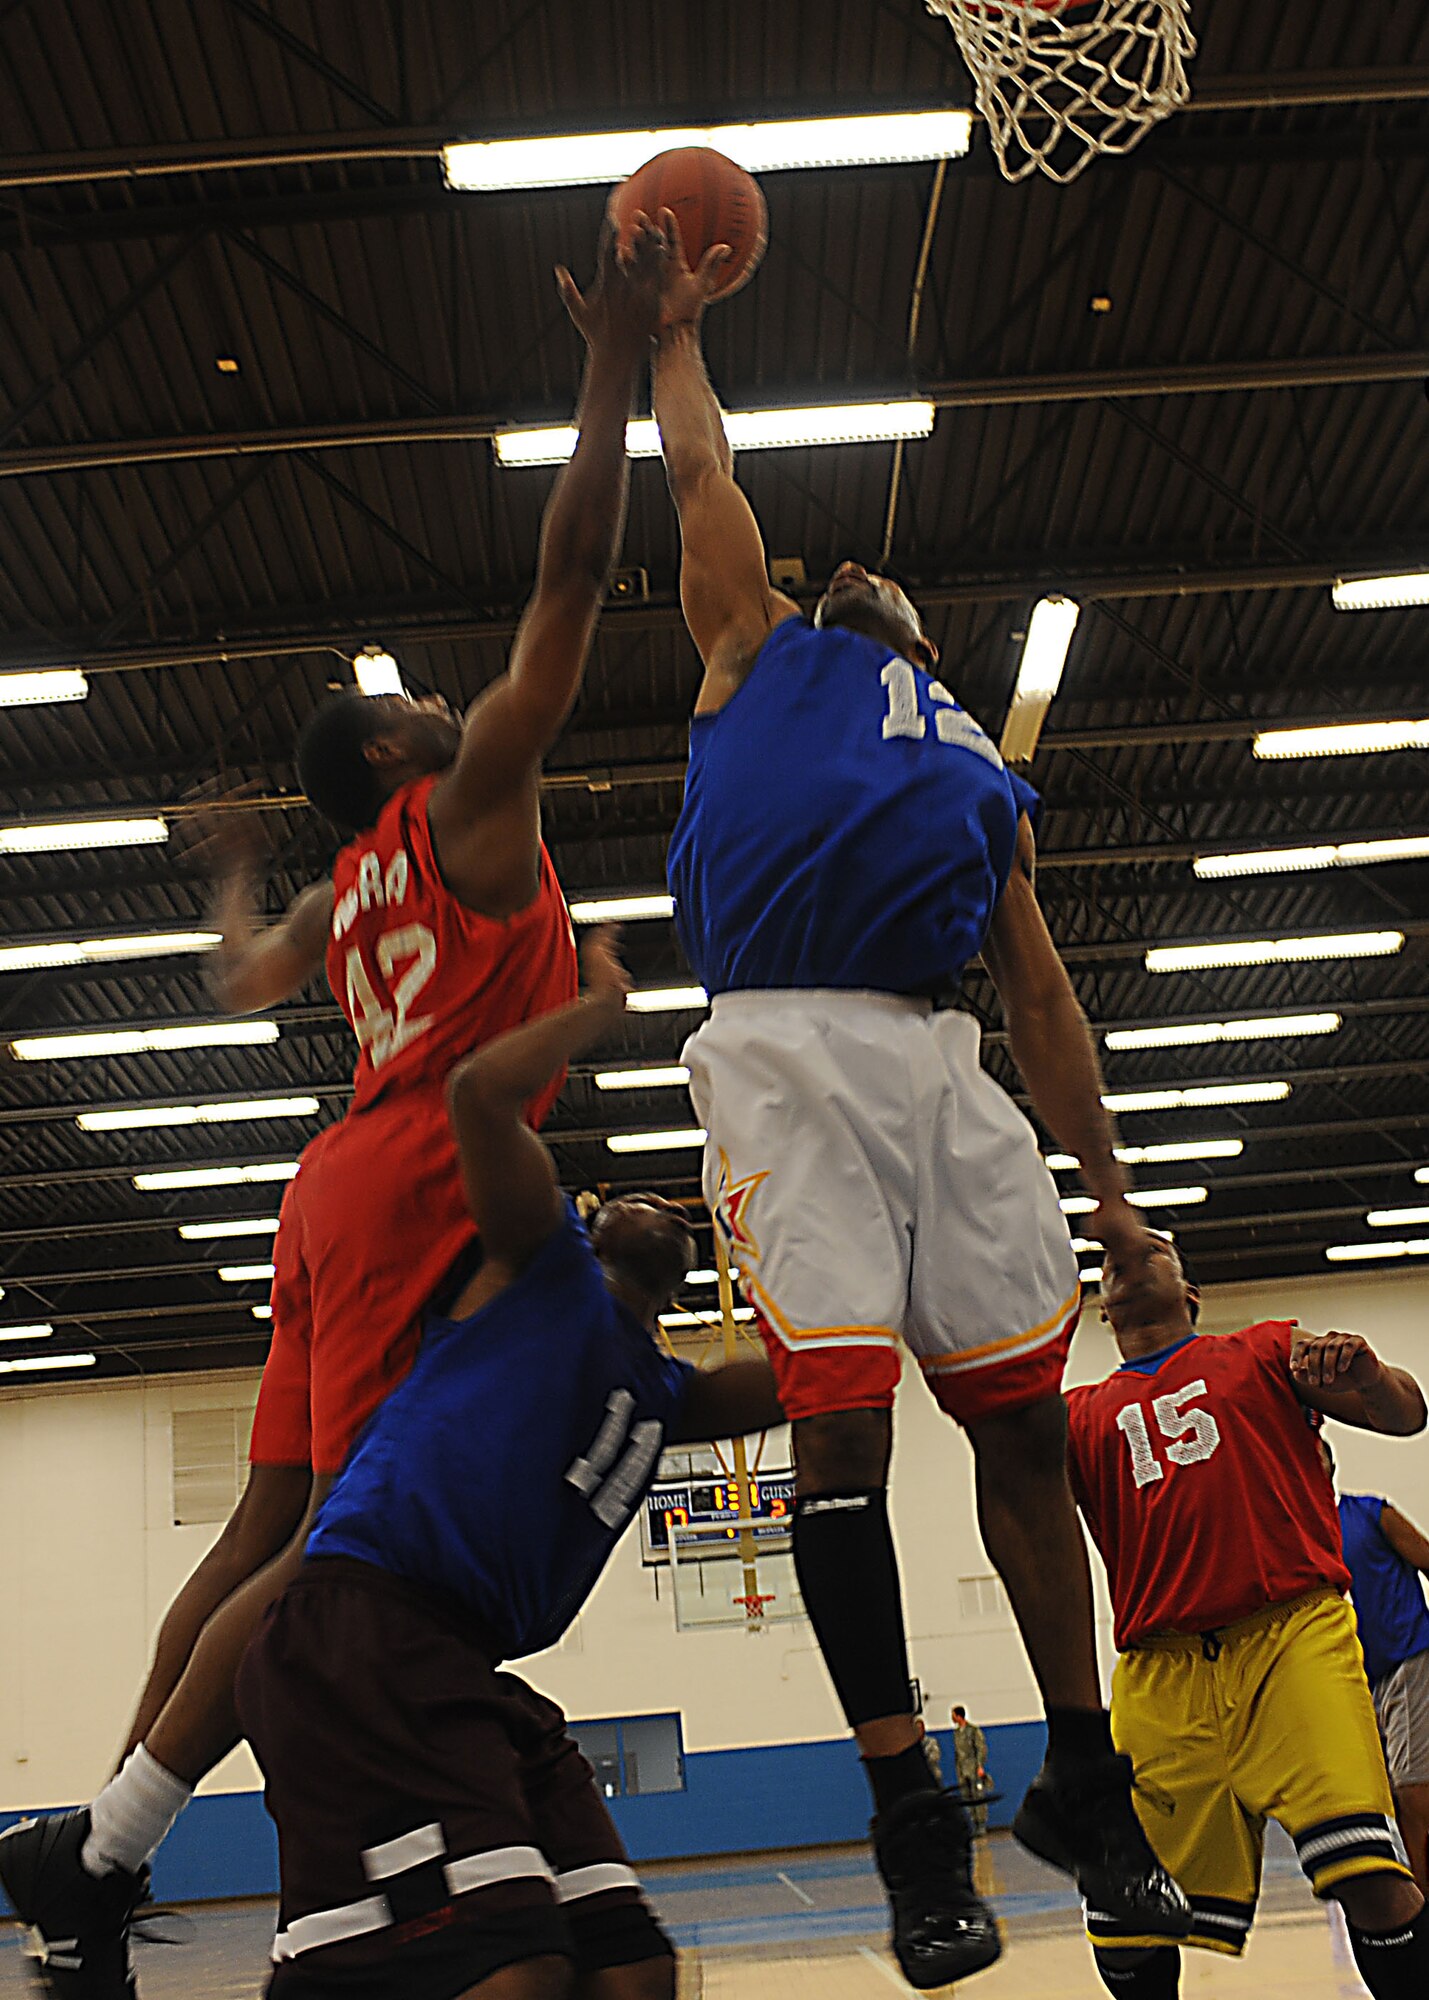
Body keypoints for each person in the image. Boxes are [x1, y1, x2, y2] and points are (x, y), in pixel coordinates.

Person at [0, 223, 668, 2000]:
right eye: (408, 702)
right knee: (320, 1566)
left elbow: (239, 983)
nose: (441, 696)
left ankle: (98, 1854)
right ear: (390, 754)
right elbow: (578, 569)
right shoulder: (461, 816)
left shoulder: (351, 879)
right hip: (418, 1185)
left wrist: (231, 873)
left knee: (257, 1538)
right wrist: (613, 357)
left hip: (337, 1181)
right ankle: (113, 1855)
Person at [648, 211, 1187, 1990]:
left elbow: (1036, 997)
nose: (883, 592)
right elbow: (701, 464)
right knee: (841, 1431)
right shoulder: (756, 645)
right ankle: (906, 1828)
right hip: (784, 1046)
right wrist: (671, 332)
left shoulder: (971, 762)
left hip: (937, 1064)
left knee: (1025, 1434)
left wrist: (1111, 1196)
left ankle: (1078, 1775)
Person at [231, 925, 785, 1997]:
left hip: (462, 1665)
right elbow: (480, 1092)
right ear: (589, 1219)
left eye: (681, 1207)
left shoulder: (668, 1390)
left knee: (630, 1969)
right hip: (360, 1631)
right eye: (640, 1192)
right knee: (512, 1968)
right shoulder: (542, 1264)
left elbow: (830, 1368)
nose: (662, 1200)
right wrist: (601, 1006)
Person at [1065, 1238, 1429, 1999]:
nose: (1126, 1260)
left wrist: (1366, 1373)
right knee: (1119, 1908)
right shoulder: (1075, 1416)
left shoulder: (1262, 1349)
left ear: (1189, 1295)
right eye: (1111, 1264)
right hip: (1158, 1668)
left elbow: (1403, 1415)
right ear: (1101, 1311)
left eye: (1151, 1252)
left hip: (1290, 1636)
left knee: (1369, 1875)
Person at [1336, 1463, 1429, 1893]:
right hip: (1358, 1683)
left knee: (1413, 1793)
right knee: (1390, 1796)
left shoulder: (1371, 1514)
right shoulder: (1296, 1541)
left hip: (1410, 1660)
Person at [952, 1708, 990, 1838]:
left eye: (953, 1715)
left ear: (959, 1716)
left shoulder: (973, 1731)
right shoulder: (956, 1733)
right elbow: (958, 1753)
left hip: (973, 1768)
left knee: (977, 1796)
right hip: (963, 1770)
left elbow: (981, 1748)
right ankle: (972, 1823)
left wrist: (980, 1766)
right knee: (967, 1797)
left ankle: (981, 1824)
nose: (952, 1718)